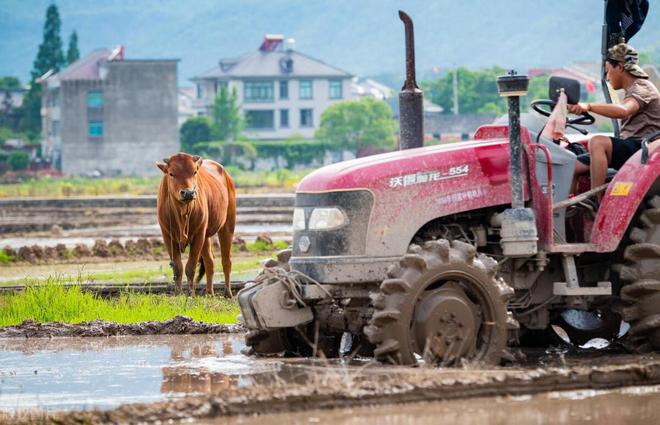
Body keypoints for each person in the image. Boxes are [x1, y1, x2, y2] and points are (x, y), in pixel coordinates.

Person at [569, 42, 660, 203]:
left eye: (607, 70)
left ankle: (596, 201)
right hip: (631, 146)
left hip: (643, 149)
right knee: (571, 165)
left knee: (598, 142)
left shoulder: (642, 87)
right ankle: (568, 212)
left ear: (620, 67)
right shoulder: (631, 90)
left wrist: (588, 106)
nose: (607, 76)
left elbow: (623, 110)